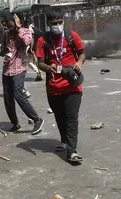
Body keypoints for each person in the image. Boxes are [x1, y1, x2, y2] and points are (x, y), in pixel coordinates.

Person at [36, 9, 86, 165]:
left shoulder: (71, 36)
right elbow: (40, 62)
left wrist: (79, 62)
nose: (57, 25)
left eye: (59, 22)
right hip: (53, 87)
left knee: (72, 118)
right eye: (54, 23)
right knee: (60, 117)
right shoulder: (43, 40)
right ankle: (64, 140)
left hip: (72, 86)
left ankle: (72, 151)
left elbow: (82, 53)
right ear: (48, 24)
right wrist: (48, 67)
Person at [0, 12, 44, 135]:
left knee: (18, 94)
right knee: (8, 98)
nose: (9, 27)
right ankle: (15, 123)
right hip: (7, 69)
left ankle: (37, 119)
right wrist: (3, 51)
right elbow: (1, 50)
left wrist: (18, 28)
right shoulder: (6, 34)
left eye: (10, 24)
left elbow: (26, 43)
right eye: (6, 25)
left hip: (19, 68)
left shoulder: (24, 31)